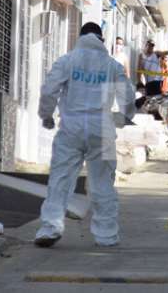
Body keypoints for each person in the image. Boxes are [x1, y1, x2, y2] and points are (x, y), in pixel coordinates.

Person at [35, 22, 135, 248]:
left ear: (80, 37)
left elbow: (50, 89)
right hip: (102, 129)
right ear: (101, 39)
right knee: (102, 184)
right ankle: (106, 235)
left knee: (60, 179)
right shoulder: (112, 65)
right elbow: (127, 98)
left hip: (71, 128)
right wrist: (124, 118)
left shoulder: (67, 60)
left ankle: (50, 227)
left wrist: (46, 115)